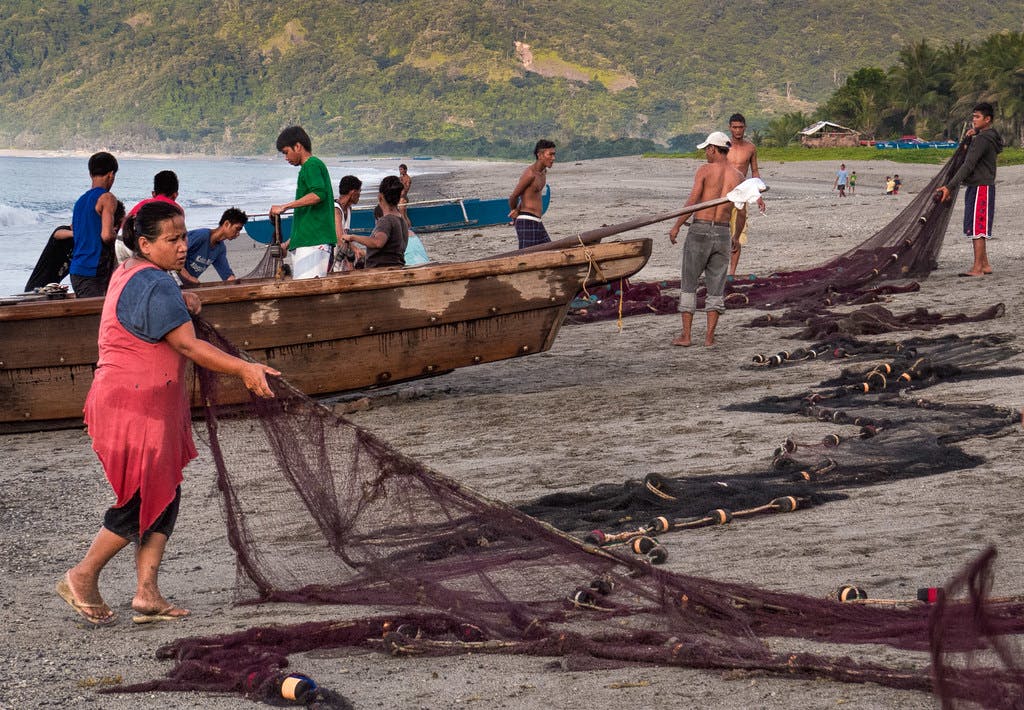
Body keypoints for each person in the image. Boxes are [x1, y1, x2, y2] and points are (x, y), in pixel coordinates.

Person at [56, 201, 279, 626]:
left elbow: (161, 305)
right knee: (140, 499)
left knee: (165, 493)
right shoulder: (155, 284)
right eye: (172, 240)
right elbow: (189, 346)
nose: (182, 247)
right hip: (134, 407)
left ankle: (146, 593)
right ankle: (82, 576)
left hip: (139, 403)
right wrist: (245, 368)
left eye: (183, 236)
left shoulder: (135, 272)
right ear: (144, 243)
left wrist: (184, 298)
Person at [667, 131, 745, 347]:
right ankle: (709, 338)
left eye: (706, 150)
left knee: (689, 283)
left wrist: (676, 226)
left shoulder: (705, 170)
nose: (705, 154)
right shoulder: (738, 177)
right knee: (716, 286)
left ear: (712, 149)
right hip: (722, 233)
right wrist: (736, 237)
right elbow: (742, 212)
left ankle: (687, 336)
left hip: (700, 230)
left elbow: (693, 201)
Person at [935, 101, 1004, 277]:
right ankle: (985, 264)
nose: (974, 120)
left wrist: (950, 187)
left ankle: (977, 268)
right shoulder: (989, 136)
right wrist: (975, 134)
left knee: (978, 227)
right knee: (977, 226)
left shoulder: (982, 139)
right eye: (973, 116)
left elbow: (968, 165)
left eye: (977, 117)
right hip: (981, 186)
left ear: (987, 119)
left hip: (981, 187)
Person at [269, 126, 336, 279]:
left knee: (308, 292)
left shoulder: (311, 165)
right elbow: (310, 216)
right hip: (308, 241)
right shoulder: (309, 167)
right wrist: (288, 243)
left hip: (314, 242)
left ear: (298, 146)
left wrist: (284, 206)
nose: (286, 158)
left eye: (286, 152)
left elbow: (319, 194)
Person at [69, 151, 120, 298]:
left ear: (91, 174)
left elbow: (74, 229)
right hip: (94, 270)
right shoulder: (107, 198)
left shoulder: (80, 201)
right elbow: (106, 235)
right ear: (111, 175)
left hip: (77, 270)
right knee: (98, 317)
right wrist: (119, 237)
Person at [724, 113, 765, 277]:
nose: (738, 130)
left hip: (742, 194)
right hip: (722, 195)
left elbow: (754, 172)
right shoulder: (723, 146)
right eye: (734, 127)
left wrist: (759, 196)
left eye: (740, 127)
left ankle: (732, 273)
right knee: (717, 232)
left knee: (737, 234)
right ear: (730, 128)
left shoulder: (750, 148)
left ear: (745, 127)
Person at [341, 176, 408, 269]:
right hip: (397, 266)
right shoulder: (401, 220)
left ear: (380, 196)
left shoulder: (386, 221)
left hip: (381, 270)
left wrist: (352, 237)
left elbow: (378, 242)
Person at [178, 208, 249, 285]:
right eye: (237, 229)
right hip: (172, 276)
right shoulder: (201, 236)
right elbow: (174, 253)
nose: (238, 234)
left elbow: (227, 276)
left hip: (187, 284)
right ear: (226, 224)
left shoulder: (220, 249)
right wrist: (188, 277)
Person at [509, 139, 555, 249]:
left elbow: (527, 195)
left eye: (554, 154)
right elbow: (514, 196)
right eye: (550, 154)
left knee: (550, 250)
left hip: (537, 221)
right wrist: (514, 211)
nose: (553, 158)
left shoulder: (543, 172)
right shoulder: (530, 174)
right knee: (526, 257)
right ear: (540, 155)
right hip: (526, 221)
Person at [332, 175, 364, 271]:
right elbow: (339, 238)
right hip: (329, 257)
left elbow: (344, 238)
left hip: (339, 256)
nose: (359, 195)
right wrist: (355, 249)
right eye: (359, 191)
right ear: (353, 192)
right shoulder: (335, 209)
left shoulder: (348, 209)